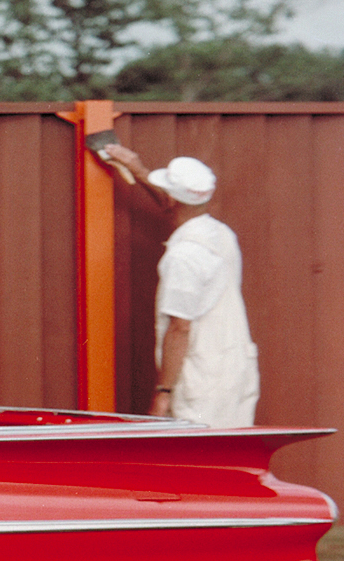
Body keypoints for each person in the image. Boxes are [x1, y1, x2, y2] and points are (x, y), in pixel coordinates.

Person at [100, 145, 259, 427]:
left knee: (200, 459)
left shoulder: (183, 257)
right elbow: (175, 205)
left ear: (173, 200)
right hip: (234, 371)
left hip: (201, 382)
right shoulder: (220, 235)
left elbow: (179, 328)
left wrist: (163, 393)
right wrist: (137, 169)